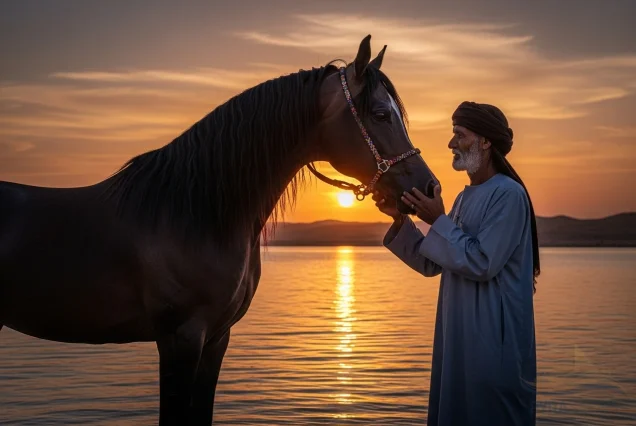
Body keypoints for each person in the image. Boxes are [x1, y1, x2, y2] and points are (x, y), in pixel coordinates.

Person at [374, 101, 539, 425]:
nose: (451, 144)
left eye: (459, 135)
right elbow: (434, 263)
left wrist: (437, 219)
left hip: (492, 347)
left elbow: (481, 262)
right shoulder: (465, 197)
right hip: (457, 345)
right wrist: (399, 220)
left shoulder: (509, 195)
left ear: (486, 141)